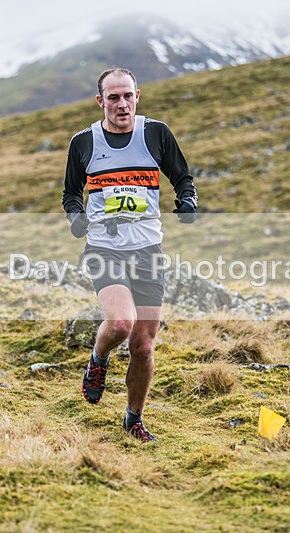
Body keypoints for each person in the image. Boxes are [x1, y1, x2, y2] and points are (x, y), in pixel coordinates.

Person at [62, 67, 198, 442]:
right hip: (105, 248)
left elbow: (183, 178)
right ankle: (98, 360)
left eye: (127, 96)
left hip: (148, 251)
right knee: (120, 324)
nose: (121, 104)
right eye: (113, 97)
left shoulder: (156, 133)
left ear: (138, 96)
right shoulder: (84, 142)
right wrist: (76, 218)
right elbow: (71, 193)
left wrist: (187, 201)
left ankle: (133, 419)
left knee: (143, 345)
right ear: (100, 101)